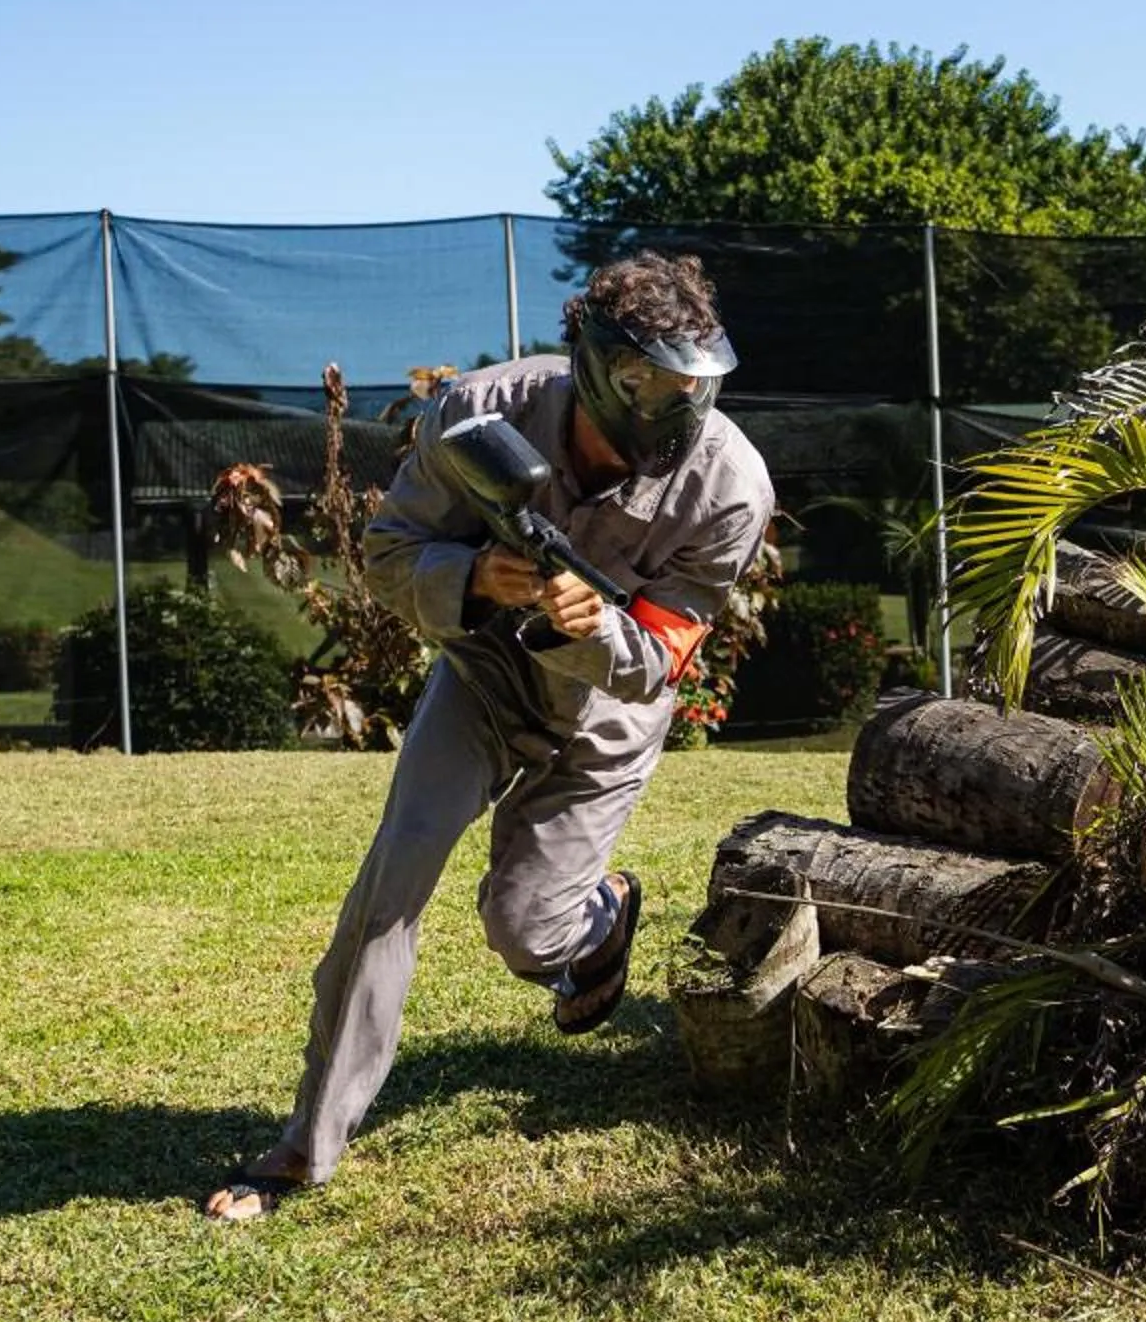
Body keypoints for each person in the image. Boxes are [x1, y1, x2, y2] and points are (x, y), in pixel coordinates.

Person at [205, 251, 773, 1220]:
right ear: (601, 365)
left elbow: (663, 662)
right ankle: (304, 1148)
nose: (681, 408)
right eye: (656, 383)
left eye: (697, 385)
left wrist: (597, 623)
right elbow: (386, 554)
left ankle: (601, 919)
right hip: (484, 670)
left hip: (605, 712)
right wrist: (471, 579)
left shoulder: (729, 485)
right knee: (391, 886)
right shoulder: (482, 412)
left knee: (523, 928)